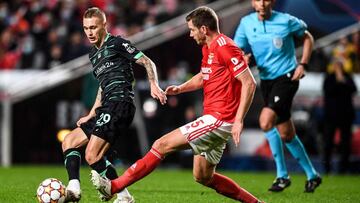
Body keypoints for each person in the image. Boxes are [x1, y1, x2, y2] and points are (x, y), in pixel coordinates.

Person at [90, 6, 263, 203]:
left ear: (204, 29)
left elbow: (249, 82)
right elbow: (204, 77)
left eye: (192, 29)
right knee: (203, 176)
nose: (190, 34)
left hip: (220, 119)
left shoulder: (225, 46)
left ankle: (114, 187)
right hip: (214, 118)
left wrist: (239, 120)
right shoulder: (209, 48)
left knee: (161, 145)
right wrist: (181, 88)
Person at [62, 7, 167, 203]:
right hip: (106, 106)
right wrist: (90, 114)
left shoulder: (117, 43)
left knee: (92, 155)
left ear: (104, 25)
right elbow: (102, 87)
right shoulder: (93, 55)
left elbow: (147, 61)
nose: (90, 32)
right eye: (86, 28)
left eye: (93, 27)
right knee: (69, 141)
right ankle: (74, 189)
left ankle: (122, 195)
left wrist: (154, 84)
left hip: (120, 104)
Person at [233, 0, 321, 192]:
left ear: (272, 1)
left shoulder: (286, 21)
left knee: (265, 121)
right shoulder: (246, 23)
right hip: (266, 81)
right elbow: (238, 50)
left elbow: (307, 38)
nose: (262, 3)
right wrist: (244, 58)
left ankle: (282, 175)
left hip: (287, 77)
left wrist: (303, 64)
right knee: (287, 134)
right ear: (252, 2)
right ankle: (312, 175)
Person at [323, 60, 357, 174]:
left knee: (346, 143)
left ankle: (344, 169)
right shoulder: (329, 78)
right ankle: (327, 168)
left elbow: (353, 89)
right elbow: (327, 91)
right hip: (331, 115)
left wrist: (342, 80)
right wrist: (338, 81)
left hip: (345, 115)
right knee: (328, 142)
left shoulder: (347, 77)